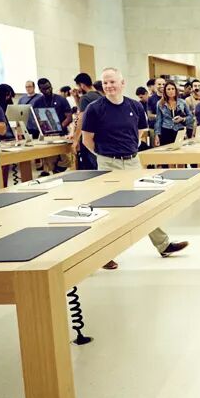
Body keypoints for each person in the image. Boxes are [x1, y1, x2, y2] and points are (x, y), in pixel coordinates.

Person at [81, 67, 188, 269]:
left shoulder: (135, 106)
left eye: (112, 82)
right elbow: (87, 140)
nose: (108, 86)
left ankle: (163, 245)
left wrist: (128, 150)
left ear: (122, 84)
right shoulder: (94, 109)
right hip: (107, 163)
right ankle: (103, 255)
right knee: (108, 210)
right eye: (105, 82)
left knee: (145, 203)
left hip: (132, 162)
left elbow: (140, 132)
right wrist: (104, 155)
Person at [73, 73, 102, 170]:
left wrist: (75, 140)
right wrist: (76, 98)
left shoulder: (85, 98)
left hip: (89, 138)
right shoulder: (100, 96)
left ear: (82, 85)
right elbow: (84, 109)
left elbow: (81, 119)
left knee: (89, 168)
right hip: (100, 139)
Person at [155, 80, 194, 145]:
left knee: (181, 150)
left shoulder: (182, 102)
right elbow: (158, 120)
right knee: (167, 150)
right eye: (168, 89)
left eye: (173, 89)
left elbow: (191, 117)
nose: (171, 91)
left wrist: (183, 119)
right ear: (165, 91)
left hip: (179, 130)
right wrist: (157, 134)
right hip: (166, 130)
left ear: (176, 90)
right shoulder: (160, 103)